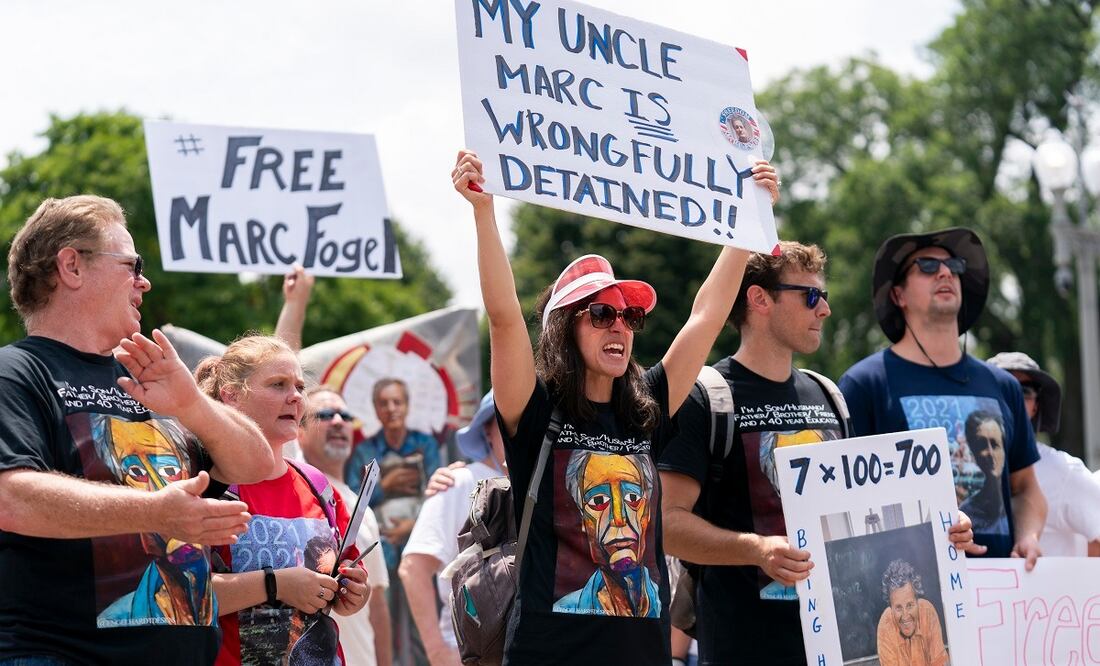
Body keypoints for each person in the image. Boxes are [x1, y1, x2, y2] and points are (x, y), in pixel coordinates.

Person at [452, 148, 777, 663]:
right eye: (601, 314)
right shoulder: (536, 413)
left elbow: (706, 316)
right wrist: (483, 213)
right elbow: (504, 319)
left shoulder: (647, 406)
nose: (619, 326)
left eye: (629, 317)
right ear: (565, 330)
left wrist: (745, 220)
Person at [0, 195, 273, 664]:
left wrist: (191, 404)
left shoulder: (154, 377)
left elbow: (257, 464)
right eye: (132, 264)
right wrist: (157, 512)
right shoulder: (16, 372)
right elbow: (12, 497)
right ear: (72, 267)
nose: (144, 281)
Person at [839, 227, 1046, 566]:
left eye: (954, 265)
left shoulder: (1002, 386)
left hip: (1001, 595)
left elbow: (1026, 488)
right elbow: (847, 501)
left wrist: (1028, 535)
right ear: (898, 296)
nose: (946, 272)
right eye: (927, 266)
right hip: (910, 593)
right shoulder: (864, 385)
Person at [197, 335, 371, 665]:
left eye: (299, 387)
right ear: (231, 396)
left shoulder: (317, 484)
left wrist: (355, 591)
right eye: (278, 385)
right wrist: (275, 585)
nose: (294, 397)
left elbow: (350, 574)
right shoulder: (208, 483)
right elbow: (182, 593)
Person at [399, 391, 507, 666]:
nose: (517, 427)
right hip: (469, 655)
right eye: (506, 417)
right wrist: (437, 653)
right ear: (487, 430)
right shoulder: (458, 483)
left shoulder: (547, 485)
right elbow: (414, 568)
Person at [299, 386, 394, 666]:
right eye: (325, 415)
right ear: (298, 432)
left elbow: (377, 603)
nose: (339, 421)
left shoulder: (363, 508)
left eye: (345, 415)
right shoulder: (295, 489)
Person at [987, 351, 1100, 556]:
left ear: (1036, 406)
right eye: (1001, 388)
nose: (1012, 398)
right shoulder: (963, 466)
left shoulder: (1062, 471)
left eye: (1024, 391)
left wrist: (1079, 584)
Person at [345, 377, 443, 567]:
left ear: (407, 405)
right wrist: (384, 486)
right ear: (376, 409)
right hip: (378, 544)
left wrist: (412, 525)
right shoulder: (362, 452)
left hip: (421, 539)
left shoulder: (426, 445)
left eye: (397, 402)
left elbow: (436, 493)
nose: (391, 409)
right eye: (384, 403)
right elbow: (352, 504)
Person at [875, 559, 948, 666]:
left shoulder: (927, 612)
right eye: (898, 608)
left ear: (917, 600)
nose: (905, 616)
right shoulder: (885, 624)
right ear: (891, 607)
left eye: (909, 605)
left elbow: (939, 662)